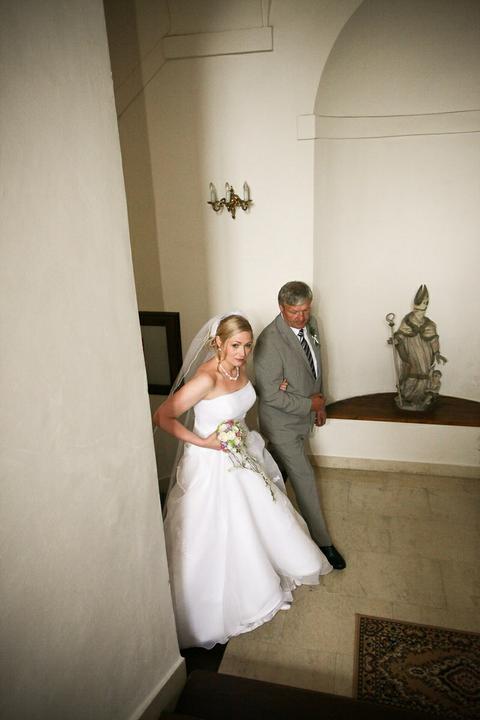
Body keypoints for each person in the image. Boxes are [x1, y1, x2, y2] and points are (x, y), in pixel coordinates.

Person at [154, 313, 332, 649]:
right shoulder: (205, 379)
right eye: (236, 345)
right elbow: (162, 416)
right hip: (213, 463)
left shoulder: (238, 368)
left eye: (247, 346)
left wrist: (279, 389)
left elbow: (240, 403)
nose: (243, 353)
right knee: (224, 526)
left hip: (243, 450)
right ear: (218, 343)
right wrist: (204, 442)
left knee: (263, 512)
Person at [254, 281, 346, 570]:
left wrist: (321, 404)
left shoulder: (312, 324)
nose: (302, 317)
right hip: (280, 423)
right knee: (304, 476)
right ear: (281, 308)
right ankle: (323, 543)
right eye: (295, 312)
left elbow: (317, 366)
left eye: (306, 310)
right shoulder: (269, 342)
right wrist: (310, 405)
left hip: (304, 414)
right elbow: (270, 395)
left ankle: (267, 519)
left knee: (275, 472)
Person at [392, 285, 447, 410]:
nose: (420, 314)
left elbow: (434, 339)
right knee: (412, 373)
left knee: (424, 374)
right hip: (411, 352)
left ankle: (420, 397)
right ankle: (407, 396)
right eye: (418, 311)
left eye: (423, 310)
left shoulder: (430, 324)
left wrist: (437, 353)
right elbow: (401, 334)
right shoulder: (407, 320)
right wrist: (396, 339)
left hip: (425, 354)